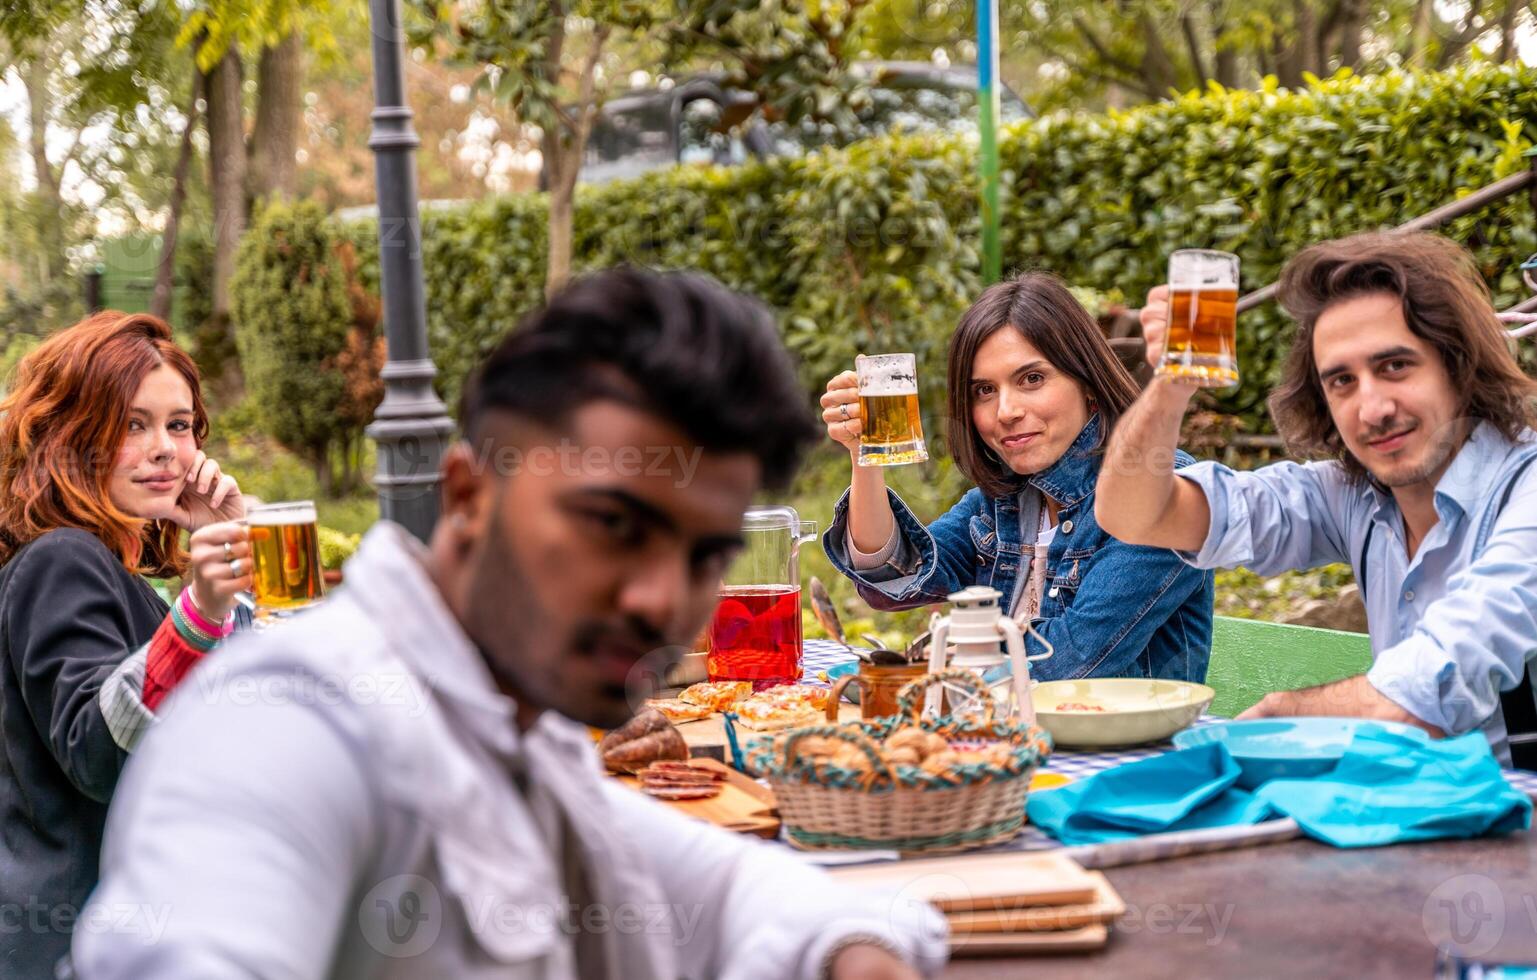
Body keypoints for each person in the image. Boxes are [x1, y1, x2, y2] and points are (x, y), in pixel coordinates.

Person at [73, 269, 947, 979]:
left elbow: (729, 891)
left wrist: (857, 950)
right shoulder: (295, 721)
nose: (660, 602)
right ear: (467, 494)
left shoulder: (522, 733)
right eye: (613, 526)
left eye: (702, 557)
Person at [1097, 231, 1537, 768]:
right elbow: (1134, 516)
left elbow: (1428, 692)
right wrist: (1171, 384)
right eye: (1342, 381)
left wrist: (1287, 710)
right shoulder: (1352, 495)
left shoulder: (1526, 486)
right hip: (1428, 816)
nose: (1371, 408)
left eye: (1395, 366)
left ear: (1459, 368)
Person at [0, 311, 250, 976]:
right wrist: (202, 608)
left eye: (179, 425)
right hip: (75, 946)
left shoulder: (127, 583)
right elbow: (94, 746)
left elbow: (247, 709)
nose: (165, 447)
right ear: (72, 438)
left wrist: (228, 553)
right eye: (132, 425)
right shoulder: (61, 559)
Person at [821, 272, 1214, 681]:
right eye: (984, 390)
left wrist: (950, 658)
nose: (1005, 410)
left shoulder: (1161, 490)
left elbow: (1069, 662)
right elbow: (898, 574)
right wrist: (864, 456)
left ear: (1088, 382)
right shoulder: (1005, 498)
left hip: (1129, 745)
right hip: (1004, 735)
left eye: (1032, 379)